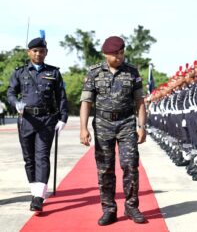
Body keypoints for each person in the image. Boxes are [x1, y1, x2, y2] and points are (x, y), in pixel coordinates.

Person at [80, 36, 147, 226]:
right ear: (105, 54)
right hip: (102, 124)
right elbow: (86, 102)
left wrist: (142, 127)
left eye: (121, 53)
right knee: (105, 168)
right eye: (115, 54)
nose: (119, 57)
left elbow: (140, 102)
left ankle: (132, 206)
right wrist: (83, 128)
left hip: (127, 123)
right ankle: (109, 208)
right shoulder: (94, 73)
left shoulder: (132, 72)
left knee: (130, 165)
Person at [7, 36, 68, 212]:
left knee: (42, 156)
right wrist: (15, 103)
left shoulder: (54, 73)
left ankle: (39, 197)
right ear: (29, 52)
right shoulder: (20, 72)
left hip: (46, 120)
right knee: (29, 158)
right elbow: (11, 92)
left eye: (41, 51)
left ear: (46, 53)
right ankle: (35, 190)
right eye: (35, 51)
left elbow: (61, 97)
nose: (38, 54)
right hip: (26, 119)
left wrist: (63, 118)